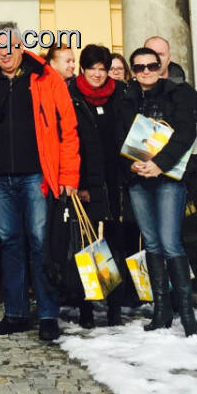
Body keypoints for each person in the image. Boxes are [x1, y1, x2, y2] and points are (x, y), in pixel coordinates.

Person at [0, 22, 80, 342]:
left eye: (11, 46)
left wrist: (69, 174)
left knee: (39, 244)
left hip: (36, 177)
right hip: (0, 179)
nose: (6, 52)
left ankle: (47, 314)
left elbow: (68, 129)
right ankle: (15, 313)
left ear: (21, 46)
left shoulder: (45, 77)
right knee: (10, 245)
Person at [124, 45, 197, 337]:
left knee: (170, 242)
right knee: (153, 243)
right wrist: (132, 166)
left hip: (169, 177)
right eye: (139, 67)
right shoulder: (126, 97)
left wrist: (159, 164)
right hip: (138, 179)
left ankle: (187, 313)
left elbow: (186, 133)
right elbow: (119, 136)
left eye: (151, 66)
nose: (146, 72)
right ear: (133, 72)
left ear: (161, 66)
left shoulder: (178, 93)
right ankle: (161, 310)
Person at [63, 44, 136, 327]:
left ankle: (115, 308)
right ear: (83, 69)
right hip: (85, 183)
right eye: (91, 68)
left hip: (117, 181)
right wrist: (76, 181)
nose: (97, 74)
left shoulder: (121, 93)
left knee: (115, 245)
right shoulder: (72, 95)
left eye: (102, 69)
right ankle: (86, 310)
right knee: (87, 245)